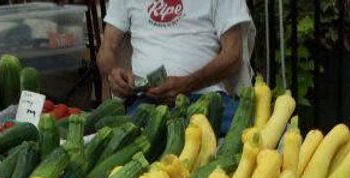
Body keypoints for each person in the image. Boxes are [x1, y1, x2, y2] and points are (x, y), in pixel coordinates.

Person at [96, 0, 253, 134]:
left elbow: (233, 56)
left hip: (208, 98)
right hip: (146, 102)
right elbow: (106, 50)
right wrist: (115, 74)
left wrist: (187, 84)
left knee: (246, 139)